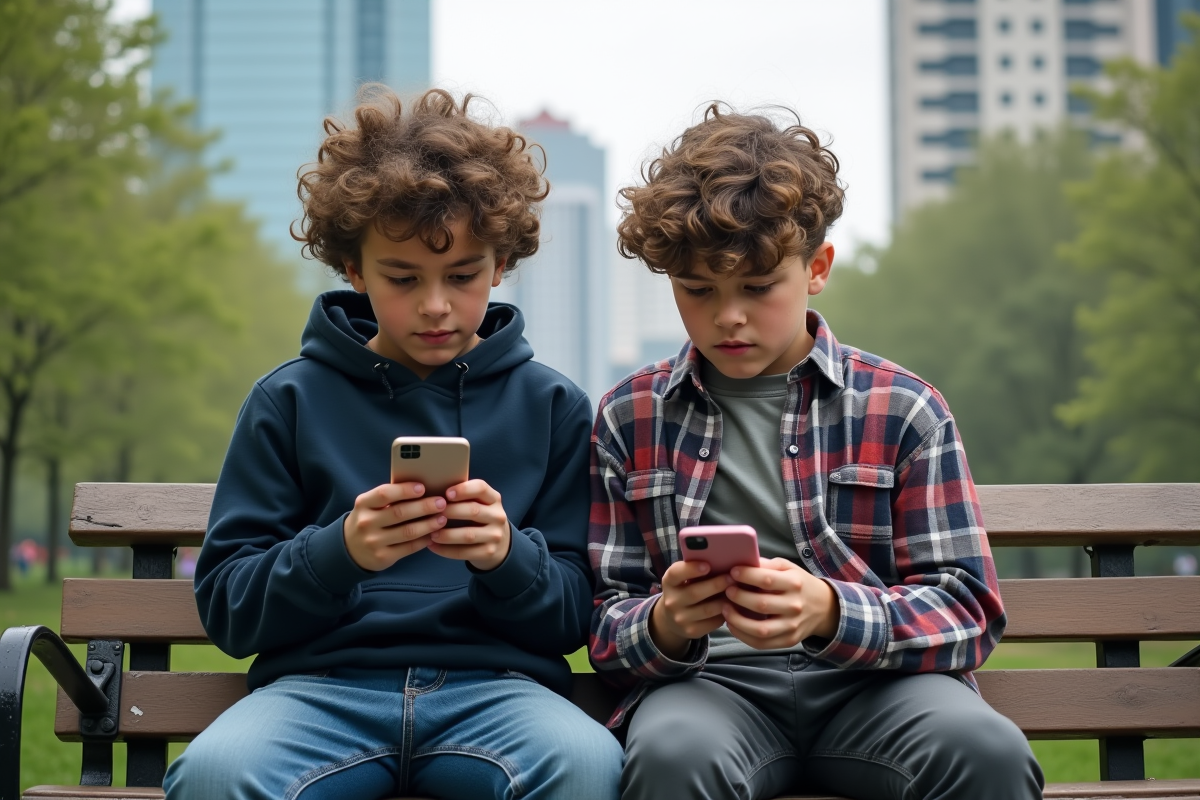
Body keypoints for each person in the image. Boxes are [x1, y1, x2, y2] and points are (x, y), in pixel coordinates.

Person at [164, 87, 622, 800]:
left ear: (500, 265)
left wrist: (506, 557)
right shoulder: (287, 401)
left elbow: (573, 615)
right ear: (354, 270)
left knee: (586, 764)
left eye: (463, 276)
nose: (436, 304)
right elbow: (229, 607)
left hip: (498, 693)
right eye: (402, 279)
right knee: (215, 774)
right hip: (318, 693)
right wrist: (338, 551)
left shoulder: (554, 406)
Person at [588, 104, 1044, 800]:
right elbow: (603, 619)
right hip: (709, 687)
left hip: (878, 686)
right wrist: (664, 623)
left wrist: (830, 610)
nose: (728, 316)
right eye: (698, 290)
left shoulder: (903, 407)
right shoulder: (630, 416)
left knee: (984, 749)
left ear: (818, 267)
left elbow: (967, 611)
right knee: (673, 755)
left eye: (758, 287)